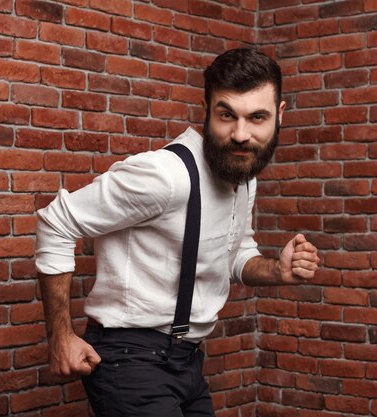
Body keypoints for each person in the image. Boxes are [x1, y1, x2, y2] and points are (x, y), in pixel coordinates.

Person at [35, 47, 321, 417]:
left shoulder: (242, 175)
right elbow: (57, 220)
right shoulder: (166, 176)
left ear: (279, 116)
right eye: (226, 115)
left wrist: (276, 270)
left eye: (257, 118)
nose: (240, 134)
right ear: (207, 108)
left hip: (186, 362)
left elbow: (233, 251)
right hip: (130, 359)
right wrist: (60, 335)